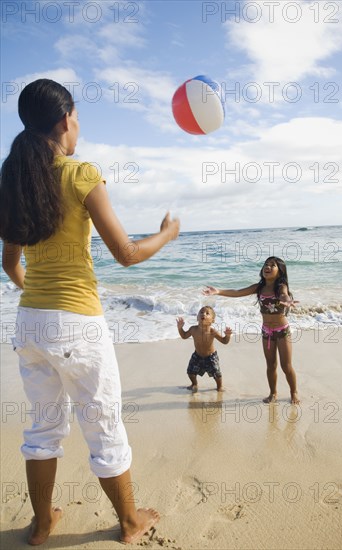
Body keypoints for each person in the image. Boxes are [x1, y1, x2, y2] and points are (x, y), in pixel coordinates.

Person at [0, 79, 180, 546]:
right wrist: (167, 235)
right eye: (76, 117)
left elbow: (9, 262)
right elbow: (126, 253)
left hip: (29, 321)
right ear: (65, 120)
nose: (77, 125)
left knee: (42, 428)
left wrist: (40, 299)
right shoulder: (80, 174)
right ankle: (130, 521)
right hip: (78, 323)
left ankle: (41, 525)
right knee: (102, 424)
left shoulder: (13, 178)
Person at [203, 257, 300, 404]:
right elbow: (237, 292)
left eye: (272, 265)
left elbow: (283, 294)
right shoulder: (259, 287)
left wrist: (287, 300)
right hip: (266, 331)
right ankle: (273, 393)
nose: (267, 267)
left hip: (282, 331)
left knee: (286, 366)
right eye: (265, 264)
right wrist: (218, 291)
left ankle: (294, 392)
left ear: (280, 272)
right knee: (270, 365)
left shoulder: (280, 286)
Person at [176, 306, 232, 392]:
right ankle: (194, 384)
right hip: (197, 355)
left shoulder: (212, 332)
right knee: (190, 372)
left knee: (217, 374)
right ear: (197, 317)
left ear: (212, 320)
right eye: (201, 312)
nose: (203, 314)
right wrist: (180, 328)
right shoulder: (193, 329)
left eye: (207, 313)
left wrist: (227, 336)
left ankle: (219, 386)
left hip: (211, 357)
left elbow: (224, 341)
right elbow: (184, 336)